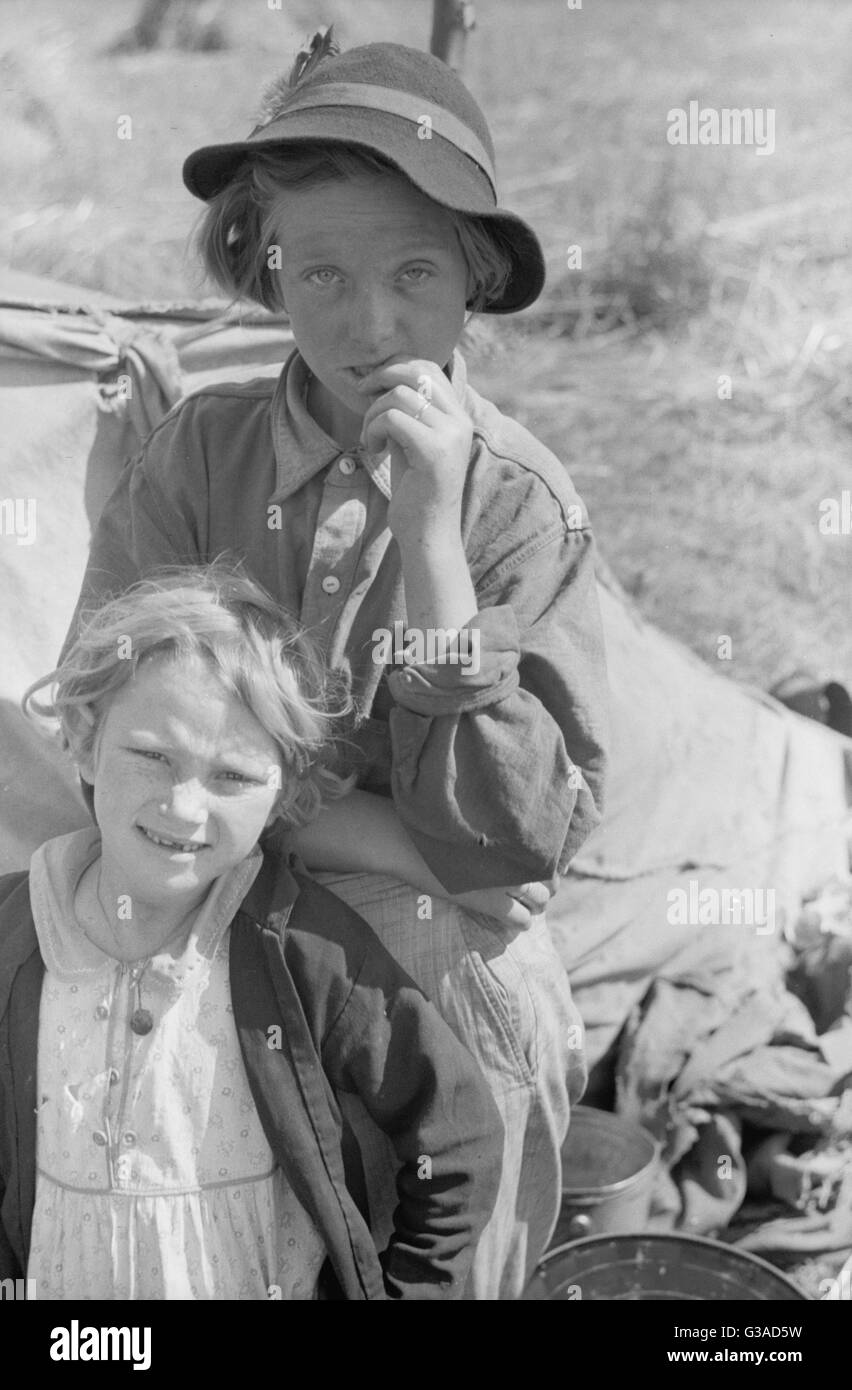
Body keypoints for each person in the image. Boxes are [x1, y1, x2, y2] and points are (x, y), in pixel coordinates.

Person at [61, 36, 609, 1297]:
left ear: (476, 274)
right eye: (322, 275)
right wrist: (367, 828)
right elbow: (113, 723)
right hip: (194, 863)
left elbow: (504, 856)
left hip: (419, 929)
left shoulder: (519, 505)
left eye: (416, 271)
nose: (371, 327)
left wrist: (428, 538)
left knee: (483, 1053)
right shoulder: (202, 454)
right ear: (267, 269)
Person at [0, 567, 503, 1301]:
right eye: (152, 755)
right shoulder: (16, 934)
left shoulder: (302, 947)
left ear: (283, 796)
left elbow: (457, 1136)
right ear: (81, 739)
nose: (183, 807)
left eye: (232, 777)